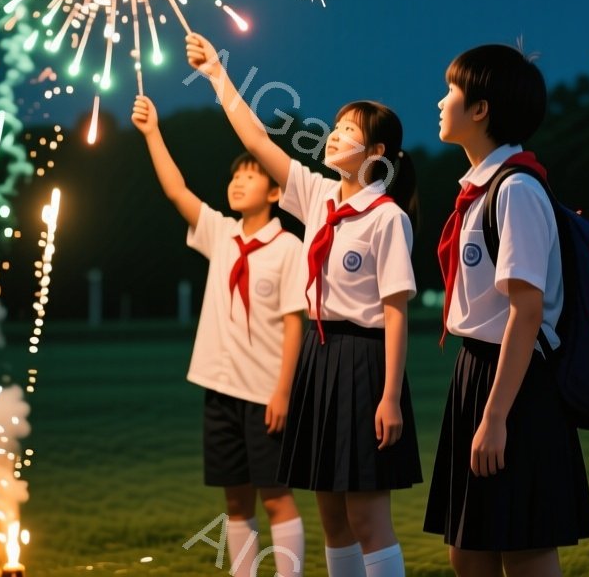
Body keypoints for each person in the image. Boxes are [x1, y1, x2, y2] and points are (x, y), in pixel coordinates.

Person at [185, 32, 421, 577]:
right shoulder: (316, 194)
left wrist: (388, 397)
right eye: (335, 127)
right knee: (331, 516)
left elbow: (395, 313)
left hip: (363, 363)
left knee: (367, 517)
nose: (334, 136)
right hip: (320, 358)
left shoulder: (387, 217)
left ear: (376, 154)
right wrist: (218, 75)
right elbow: (258, 138)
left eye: (348, 131)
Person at [423, 44, 589, 576]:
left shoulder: (516, 190)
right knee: (469, 550)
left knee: (524, 548)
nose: (440, 101)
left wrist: (495, 416)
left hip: (518, 383)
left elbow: (526, 311)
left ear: (481, 109)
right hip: (478, 372)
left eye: (452, 91)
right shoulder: (482, 191)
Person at [132, 95, 307, 577]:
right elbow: (176, 191)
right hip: (220, 390)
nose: (237, 183)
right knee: (235, 501)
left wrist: (283, 392)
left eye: (250, 176)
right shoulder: (221, 235)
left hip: (266, 394)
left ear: (274, 193)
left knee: (276, 497)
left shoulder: (287, 247)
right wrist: (152, 133)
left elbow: (297, 322)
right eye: (234, 176)